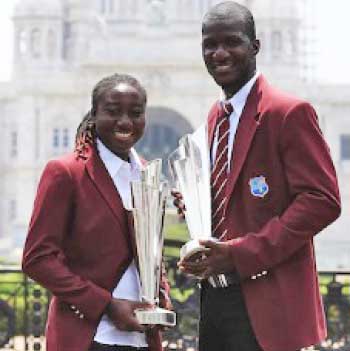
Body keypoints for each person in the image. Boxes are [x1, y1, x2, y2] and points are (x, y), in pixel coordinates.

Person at [173, 2, 341, 351]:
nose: (219, 53)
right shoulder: (216, 118)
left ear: (255, 46)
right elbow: (229, 199)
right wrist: (194, 201)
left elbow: (322, 201)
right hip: (215, 301)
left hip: (267, 303)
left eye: (231, 42)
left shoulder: (287, 113)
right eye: (210, 44)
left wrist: (240, 253)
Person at [22, 73, 171, 351]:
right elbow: (37, 259)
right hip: (89, 338)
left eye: (135, 113)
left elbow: (149, 255)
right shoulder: (67, 172)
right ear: (94, 114)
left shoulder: (148, 175)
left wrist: (161, 292)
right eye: (113, 112)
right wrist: (106, 305)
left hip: (142, 339)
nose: (125, 122)